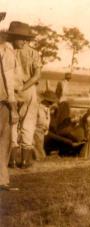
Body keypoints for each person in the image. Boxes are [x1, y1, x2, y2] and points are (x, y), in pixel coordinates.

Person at [6, 21, 41, 169]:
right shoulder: (33, 53)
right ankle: (25, 161)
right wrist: (23, 87)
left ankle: (12, 160)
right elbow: (36, 76)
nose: (25, 40)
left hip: (11, 90)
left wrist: (16, 89)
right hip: (27, 90)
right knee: (28, 123)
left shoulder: (7, 51)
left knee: (12, 123)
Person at [0, 12, 19, 191]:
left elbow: (9, 80)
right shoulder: (5, 50)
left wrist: (11, 106)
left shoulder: (5, 50)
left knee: (4, 141)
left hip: (2, 101)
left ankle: (2, 180)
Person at [33, 91, 58, 160]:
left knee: (40, 143)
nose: (51, 104)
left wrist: (46, 128)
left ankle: (40, 157)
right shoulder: (38, 107)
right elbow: (35, 118)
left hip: (43, 129)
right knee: (38, 145)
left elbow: (47, 119)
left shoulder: (47, 108)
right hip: (37, 128)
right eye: (50, 102)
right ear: (45, 100)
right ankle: (41, 158)